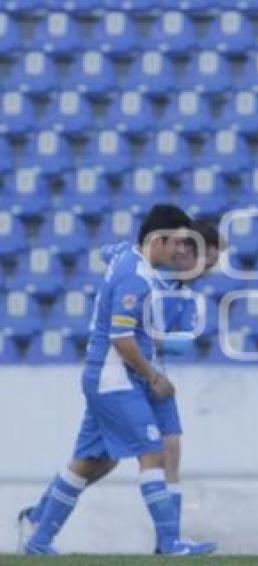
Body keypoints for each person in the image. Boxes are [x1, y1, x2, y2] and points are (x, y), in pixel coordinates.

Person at [18, 205, 216, 556]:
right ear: (159, 240)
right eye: (176, 244)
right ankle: (169, 543)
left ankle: (38, 536)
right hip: (116, 378)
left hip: (113, 376)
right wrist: (153, 375)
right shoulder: (135, 278)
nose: (179, 252)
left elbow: (111, 253)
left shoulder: (136, 264)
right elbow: (121, 339)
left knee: (90, 462)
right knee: (152, 453)